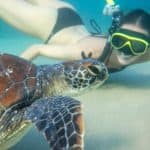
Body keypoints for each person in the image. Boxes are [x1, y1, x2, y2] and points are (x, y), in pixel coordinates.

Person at [0, 0, 150, 73]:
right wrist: (6, 79)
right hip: (48, 24)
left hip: (71, 16)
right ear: (113, 37)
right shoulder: (92, 52)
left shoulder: (146, 54)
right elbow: (36, 49)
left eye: (137, 45)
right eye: (120, 41)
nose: (126, 49)